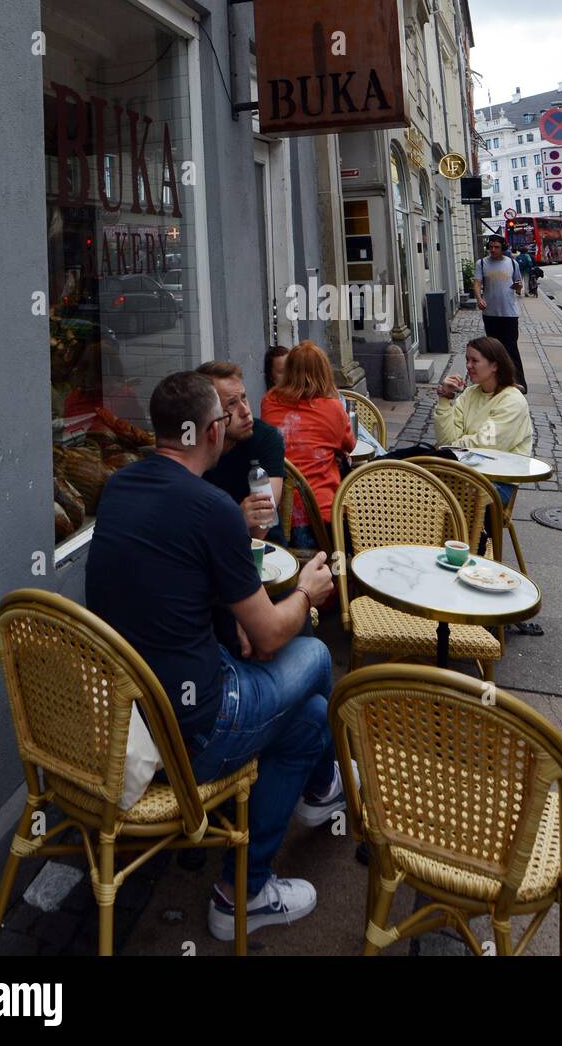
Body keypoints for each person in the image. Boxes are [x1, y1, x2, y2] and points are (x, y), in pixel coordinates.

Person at [85, 370, 343, 941]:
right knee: (318, 663)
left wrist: (233, 621)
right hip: (193, 732)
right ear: (209, 432)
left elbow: (165, 584)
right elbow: (274, 634)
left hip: (127, 710)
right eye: (223, 420)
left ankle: (268, 857)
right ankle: (271, 856)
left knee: (307, 719)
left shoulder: (121, 487)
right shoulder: (212, 508)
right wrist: (307, 590)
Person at [434, 338, 541, 635]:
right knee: (428, 494)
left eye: (474, 361)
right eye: (466, 359)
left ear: (495, 365)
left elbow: (484, 447)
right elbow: (446, 437)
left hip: (497, 485)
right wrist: (444, 399)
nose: (467, 367)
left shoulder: (512, 400)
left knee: (444, 499)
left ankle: (473, 587)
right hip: (463, 478)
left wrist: (450, 449)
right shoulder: (468, 395)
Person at [261, 341, 355, 549]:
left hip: (277, 512)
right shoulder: (332, 408)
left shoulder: (269, 401)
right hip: (321, 514)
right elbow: (350, 444)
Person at [199, 359, 285, 544]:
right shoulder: (195, 448)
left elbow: (259, 528)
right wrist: (237, 517)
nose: (245, 411)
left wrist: (228, 521)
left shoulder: (266, 438)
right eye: (231, 404)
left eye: (244, 398)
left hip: (266, 552)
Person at [472, 235, 527, 392]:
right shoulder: (482, 263)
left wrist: (517, 286)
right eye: (491, 247)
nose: (493, 250)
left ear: (503, 248)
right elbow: (477, 284)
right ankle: (496, 381)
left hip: (509, 313)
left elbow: (519, 286)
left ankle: (517, 382)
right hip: (490, 313)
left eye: (496, 247)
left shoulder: (512, 263)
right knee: (493, 351)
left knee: (511, 349)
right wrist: (479, 298)